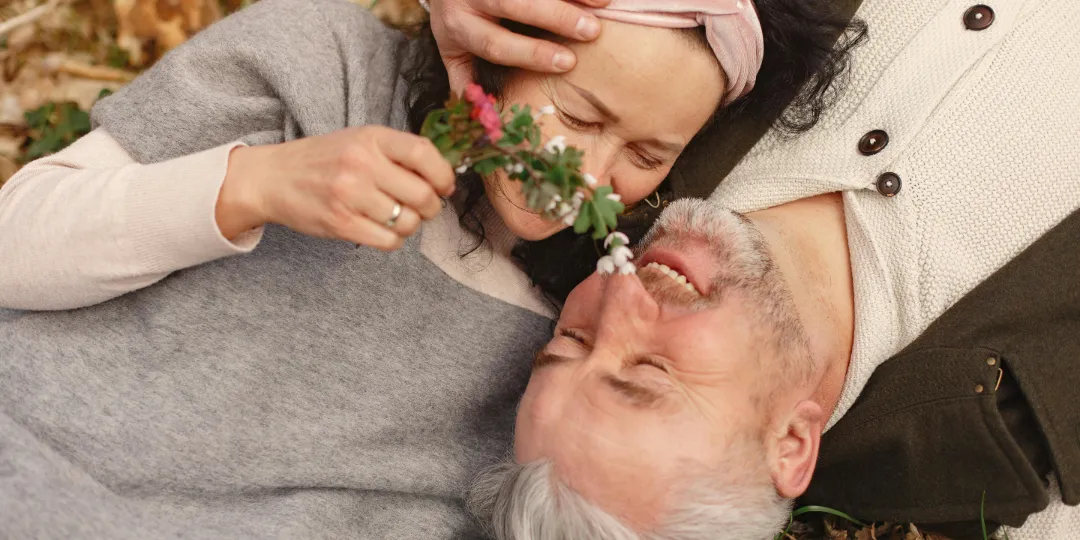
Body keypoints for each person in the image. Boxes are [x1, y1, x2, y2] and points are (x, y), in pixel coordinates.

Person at [0, 0, 862, 537]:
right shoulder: (318, 67)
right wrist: (254, 186)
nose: (589, 179)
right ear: (495, 40)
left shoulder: (575, 335)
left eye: (644, 152)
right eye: (574, 112)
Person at [462, 0, 1080, 537]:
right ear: (789, 444)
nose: (621, 294)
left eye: (571, 339)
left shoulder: (611, 146)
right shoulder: (1022, 432)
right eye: (649, 370)